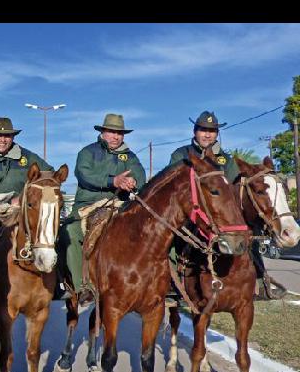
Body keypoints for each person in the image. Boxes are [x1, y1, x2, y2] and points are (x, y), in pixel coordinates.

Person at [169, 111, 284, 299]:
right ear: (195, 131)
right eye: (203, 130)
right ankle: (170, 281)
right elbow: (174, 185)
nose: (208, 134)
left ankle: (260, 280)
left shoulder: (226, 160)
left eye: (212, 131)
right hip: (189, 212)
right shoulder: (181, 155)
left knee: (246, 232)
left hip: (219, 214)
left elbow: (234, 189)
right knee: (171, 236)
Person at [62, 113, 145, 301]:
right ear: (102, 132)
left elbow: (140, 175)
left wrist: (133, 181)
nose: (116, 136)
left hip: (121, 205)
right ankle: (80, 285)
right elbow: (84, 175)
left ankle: (149, 283)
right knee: (70, 232)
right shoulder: (87, 152)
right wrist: (113, 181)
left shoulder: (130, 156)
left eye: (119, 133)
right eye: (111, 132)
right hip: (88, 205)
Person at [0, 117, 53, 201]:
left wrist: (24, 198)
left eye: (7, 135)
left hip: (22, 209)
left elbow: (50, 176)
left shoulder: (28, 157)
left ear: (13, 137)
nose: (3, 140)